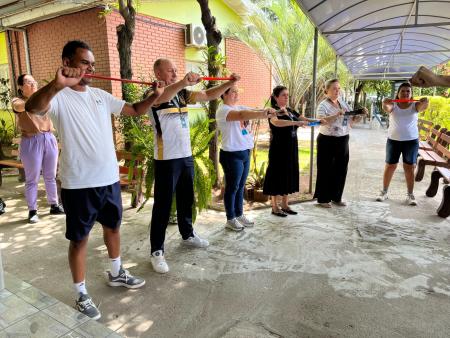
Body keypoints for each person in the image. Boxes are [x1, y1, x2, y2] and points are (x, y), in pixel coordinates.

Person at [25, 40, 167, 320]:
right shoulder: (58, 97)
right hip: (79, 183)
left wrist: (154, 95)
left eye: (92, 64)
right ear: (67, 62)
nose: (90, 68)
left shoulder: (100, 95)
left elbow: (135, 110)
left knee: (113, 228)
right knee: (79, 240)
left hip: (108, 179)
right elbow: (32, 107)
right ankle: (81, 293)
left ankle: (116, 273)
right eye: (84, 62)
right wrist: (56, 84)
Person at [148, 58, 241, 274]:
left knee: (186, 199)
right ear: (158, 74)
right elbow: (163, 95)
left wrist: (228, 83)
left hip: (185, 156)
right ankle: (157, 251)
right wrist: (182, 81)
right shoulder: (153, 94)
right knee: (162, 205)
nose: (174, 72)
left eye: (176, 70)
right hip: (166, 159)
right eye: (170, 70)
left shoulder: (182, 94)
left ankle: (187, 234)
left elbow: (208, 95)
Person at [216, 85, 277, 231]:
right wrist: (263, 114)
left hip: (244, 152)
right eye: (233, 92)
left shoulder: (238, 107)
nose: (236, 94)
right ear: (224, 94)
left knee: (240, 187)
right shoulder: (223, 110)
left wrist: (267, 110)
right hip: (232, 155)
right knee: (232, 187)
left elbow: (253, 110)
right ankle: (230, 218)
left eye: (238, 91)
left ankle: (239, 214)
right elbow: (243, 115)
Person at [263, 85, 324, 217]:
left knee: (288, 174)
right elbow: (276, 123)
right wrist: (294, 123)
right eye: (283, 95)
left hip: (291, 147)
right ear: (275, 97)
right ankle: (274, 206)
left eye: (287, 95)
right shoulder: (273, 111)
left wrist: (319, 121)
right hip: (279, 148)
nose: (286, 97)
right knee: (277, 174)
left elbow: (304, 120)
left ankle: (285, 204)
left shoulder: (290, 110)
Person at [11, 74, 64, 223]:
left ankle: (54, 205)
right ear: (21, 87)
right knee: (32, 178)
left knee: (51, 175)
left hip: (49, 138)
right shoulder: (18, 101)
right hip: (30, 141)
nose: (33, 84)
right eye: (28, 82)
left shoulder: (43, 100)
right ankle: (32, 210)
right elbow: (21, 107)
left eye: (34, 81)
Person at [314, 79, 367, 208]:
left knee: (341, 169)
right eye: (334, 88)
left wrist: (361, 114)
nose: (337, 91)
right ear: (326, 91)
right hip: (327, 140)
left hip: (343, 139)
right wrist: (336, 115)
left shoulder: (343, 103)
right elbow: (321, 121)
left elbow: (352, 120)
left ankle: (336, 197)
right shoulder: (323, 105)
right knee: (325, 169)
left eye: (338, 88)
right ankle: (323, 199)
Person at [376, 83, 429, 205]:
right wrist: (384, 102)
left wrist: (425, 101)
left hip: (411, 142)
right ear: (398, 93)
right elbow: (386, 108)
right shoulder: (393, 105)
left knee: (409, 168)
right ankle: (384, 192)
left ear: (411, 94)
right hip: (393, 141)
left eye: (408, 91)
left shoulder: (415, 105)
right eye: (403, 91)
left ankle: (410, 195)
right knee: (390, 166)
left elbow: (423, 107)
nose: (405, 93)